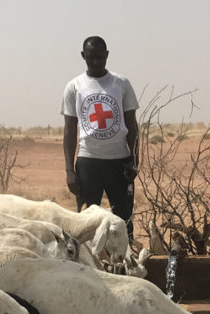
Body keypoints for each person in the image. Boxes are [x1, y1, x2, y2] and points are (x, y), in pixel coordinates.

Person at [62, 36, 140, 238]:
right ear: (83, 56)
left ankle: (125, 264)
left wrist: (135, 159)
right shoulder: (74, 86)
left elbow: (132, 124)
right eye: (91, 57)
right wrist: (70, 170)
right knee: (86, 223)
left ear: (107, 55)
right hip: (88, 163)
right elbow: (69, 129)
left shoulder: (121, 83)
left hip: (120, 163)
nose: (96, 62)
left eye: (100, 57)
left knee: (123, 221)